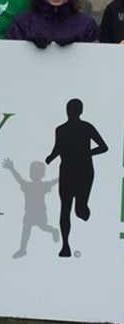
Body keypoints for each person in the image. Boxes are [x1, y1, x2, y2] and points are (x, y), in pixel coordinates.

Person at [46, 99, 108, 257]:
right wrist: (50, 157)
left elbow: (103, 146)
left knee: (80, 211)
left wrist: (87, 153)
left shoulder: (87, 127)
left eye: (73, 109)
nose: (70, 111)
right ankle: (65, 245)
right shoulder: (60, 129)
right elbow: (58, 148)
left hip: (84, 171)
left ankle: (82, 207)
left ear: (79, 111)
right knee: (65, 208)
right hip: (66, 171)